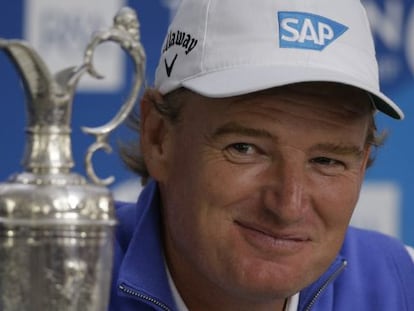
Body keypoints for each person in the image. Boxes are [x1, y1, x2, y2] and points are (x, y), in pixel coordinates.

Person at [109, 0, 414, 310]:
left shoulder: (403, 285)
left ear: (362, 165)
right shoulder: (68, 276)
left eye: (326, 161)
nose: (288, 207)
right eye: (245, 148)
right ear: (159, 138)